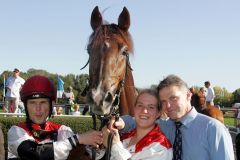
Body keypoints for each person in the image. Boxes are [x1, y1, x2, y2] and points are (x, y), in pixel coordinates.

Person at [112, 75, 234, 160]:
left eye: (173, 98)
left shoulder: (213, 129)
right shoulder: (166, 125)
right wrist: (121, 121)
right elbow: (137, 121)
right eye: (163, 101)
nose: (168, 106)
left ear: (188, 95)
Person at [7, 75, 103, 160]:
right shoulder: (16, 131)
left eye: (43, 102)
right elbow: (35, 154)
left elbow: (89, 154)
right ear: (26, 105)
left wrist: (101, 141)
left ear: (52, 104)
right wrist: (77, 139)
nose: (38, 108)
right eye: (32, 103)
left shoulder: (63, 130)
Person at [102, 88, 172, 160]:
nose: (144, 110)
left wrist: (115, 146)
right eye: (140, 105)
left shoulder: (161, 148)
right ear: (134, 108)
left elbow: (116, 150)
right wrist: (98, 145)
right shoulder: (125, 136)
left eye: (151, 107)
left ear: (158, 113)